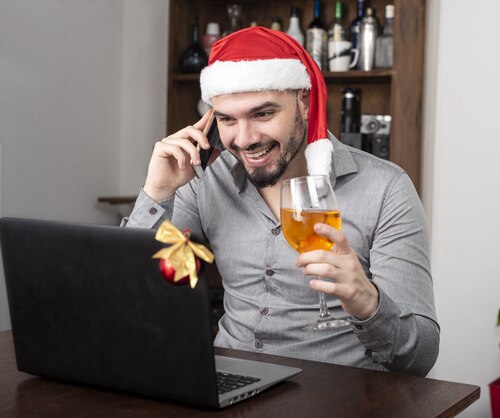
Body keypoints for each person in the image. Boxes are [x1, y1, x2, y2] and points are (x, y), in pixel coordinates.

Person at [122, 27, 439, 376]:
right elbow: (135, 295)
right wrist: (157, 192)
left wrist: (367, 302)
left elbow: (419, 359)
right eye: (227, 119)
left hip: (337, 398)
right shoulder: (205, 179)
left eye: (262, 114)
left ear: (304, 101)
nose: (245, 140)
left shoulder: (385, 189)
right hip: (227, 387)